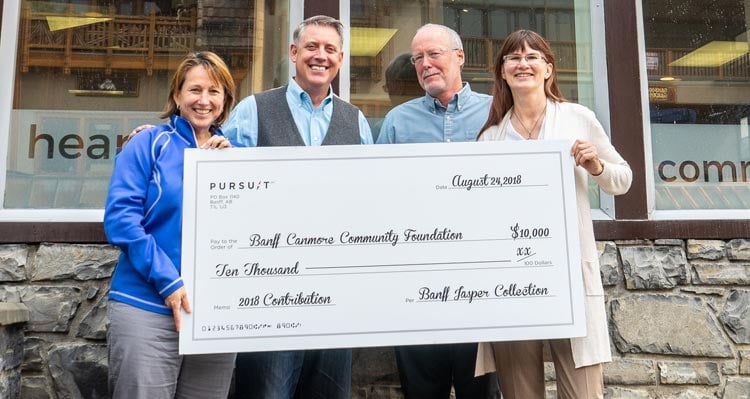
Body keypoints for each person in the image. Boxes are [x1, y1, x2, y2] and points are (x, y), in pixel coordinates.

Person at [474, 29, 633, 399]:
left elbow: (622, 179)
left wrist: (596, 166)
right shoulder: (490, 137)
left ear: (548, 69)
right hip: (511, 278)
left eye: (533, 57)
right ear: (502, 71)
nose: (523, 63)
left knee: (582, 391)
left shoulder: (577, 118)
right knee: (519, 391)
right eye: (513, 57)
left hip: (568, 275)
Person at [225, 15, 373, 399]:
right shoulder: (252, 111)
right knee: (267, 392)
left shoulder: (356, 122)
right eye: (311, 47)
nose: (320, 56)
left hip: (334, 292)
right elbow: (219, 186)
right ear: (294, 53)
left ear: (340, 58)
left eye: (329, 49)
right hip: (268, 290)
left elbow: (369, 199)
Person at [377, 24, 500, 399]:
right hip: (416, 283)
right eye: (418, 58)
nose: (425, 64)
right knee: (421, 392)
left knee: (480, 392)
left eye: (434, 54)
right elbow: (378, 196)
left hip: (480, 284)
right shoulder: (397, 122)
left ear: (459, 57)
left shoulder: (497, 113)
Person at [103, 51, 237, 399]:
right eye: (194, 90)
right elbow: (122, 220)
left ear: (225, 101)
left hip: (213, 315)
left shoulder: (235, 157)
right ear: (177, 96)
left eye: (214, 91)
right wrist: (169, 281)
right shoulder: (148, 144)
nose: (204, 101)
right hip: (146, 305)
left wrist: (230, 170)